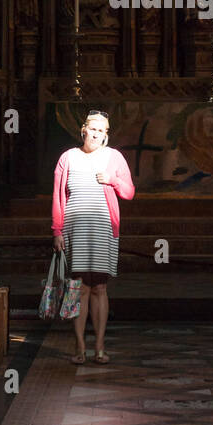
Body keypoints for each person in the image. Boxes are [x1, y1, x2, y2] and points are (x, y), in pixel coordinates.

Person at [51, 110, 135, 365]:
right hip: (74, 230)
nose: (97, 134)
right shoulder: (68, 157)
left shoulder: (114, 158)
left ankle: (99, 347)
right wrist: (56, 231)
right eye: (94, 128)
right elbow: (58, 197)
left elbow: (129, 192)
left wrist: (112, 180)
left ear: (106, 134)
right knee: (78, 288)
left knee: (99, 287)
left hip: (103, 230)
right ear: (84, 130)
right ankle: (79, 347)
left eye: (103, 130)